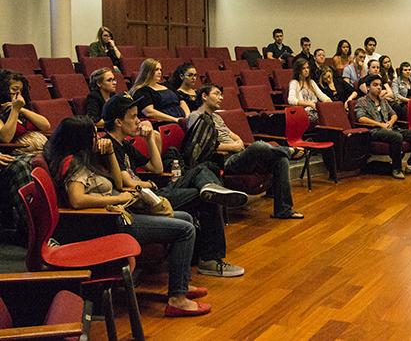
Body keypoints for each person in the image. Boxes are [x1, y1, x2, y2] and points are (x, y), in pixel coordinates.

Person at [45, 116, 211, 317]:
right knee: (185, 230)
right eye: (93, 135)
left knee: (184, 217)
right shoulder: (73, 163)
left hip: (119, 214)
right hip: (109, 222)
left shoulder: (87, 158)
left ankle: (180, 283)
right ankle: (177, 299)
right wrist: (116, 199)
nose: (97, 138)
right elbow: (77, 200)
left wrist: (110, 154)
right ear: (80, 139)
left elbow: (118, 182)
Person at [102, 93, 247, 277]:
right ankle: (210, 260)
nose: (138, 121)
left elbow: (156, 167)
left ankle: (210, 187)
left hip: (155, 193)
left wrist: (149, 140)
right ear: (118, 122)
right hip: (145, 201)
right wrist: (148, 183)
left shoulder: (124, 144)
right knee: (204, 196)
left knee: (204, 171)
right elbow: (127, 183)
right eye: (133, 116)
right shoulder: (109, 146)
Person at [189, 84, 305, 219]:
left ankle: (283, 210)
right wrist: (233, 147)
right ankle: (287, 150)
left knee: (280, 160)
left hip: (238, 155)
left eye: (221, 94)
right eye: (216, 94)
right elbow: (202, 146)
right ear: (204, 96)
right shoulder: (196, 116)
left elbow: (235, 136)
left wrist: (237, 144)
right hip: (224, 161)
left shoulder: (217, 117)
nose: (220, 98)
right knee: (258, 146)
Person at [355, 75, 411, 180]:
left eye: (380, 85)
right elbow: (361, 118)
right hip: (374, 130)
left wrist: (390, 122)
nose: (379, 87)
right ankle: (396, 168)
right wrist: (380, 124)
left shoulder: (383, 100)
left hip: (390, 128)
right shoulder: (362, 101)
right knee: (396, 136)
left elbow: (394, 114)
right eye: (375, 85)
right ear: (367, 87)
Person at [0, 70, 51, 144]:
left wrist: (21, 109)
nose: (18, 93)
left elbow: (45, 126)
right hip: (19, 151)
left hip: (41, 148)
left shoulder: (22, 109)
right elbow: (5, 138)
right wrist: (15, 109)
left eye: (21, 90)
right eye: (14, 89)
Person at [288, 59, 331, 124]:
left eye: (307, 68)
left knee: (335, 114)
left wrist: (330, 103)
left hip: (316, 109)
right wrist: (309, 103)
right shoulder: (294, 83)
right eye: (303, 68)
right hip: (304, 112)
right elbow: (291, 100)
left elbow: (322, 96)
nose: (306, 70)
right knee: (326, 118)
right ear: (298, 70)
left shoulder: (311, 82)